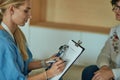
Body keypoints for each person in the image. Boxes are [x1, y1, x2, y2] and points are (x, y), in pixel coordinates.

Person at [0, 0, 66, 80]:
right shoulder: (3, 43)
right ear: (11, 10)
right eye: (26, 11)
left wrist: (46, 62)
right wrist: (49, 74)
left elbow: (23, 65)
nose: (30, 16)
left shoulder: (15, 34)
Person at [82, 0, 120, 80]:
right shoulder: (115, 30)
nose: (116, 10)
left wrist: (113, 73)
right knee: (89, 71)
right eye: (116, 7)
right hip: (112, 72)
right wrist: (104, 68)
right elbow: (104, 54)